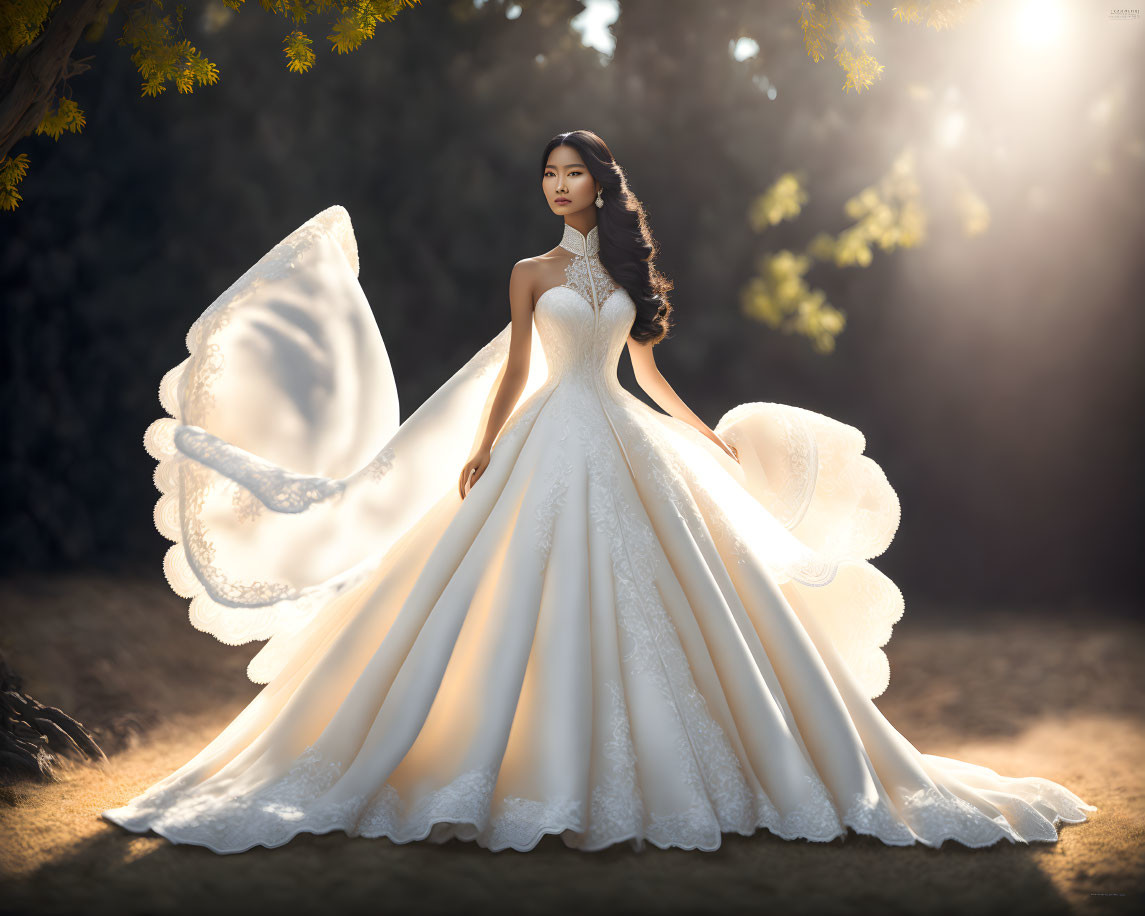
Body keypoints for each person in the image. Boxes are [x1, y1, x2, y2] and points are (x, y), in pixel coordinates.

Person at [101, 130, 1095, 854]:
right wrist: (485, 446)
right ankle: (503, 761)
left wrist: (701, 435)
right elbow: (508, 372)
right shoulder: (528, 273)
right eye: (549, 174)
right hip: (544, 432)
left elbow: (645, 375)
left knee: (683, 596)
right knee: (502, 595)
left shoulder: (622, 265)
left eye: (572, 173)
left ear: (598, 185)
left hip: (619, 433)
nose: (559, 185)